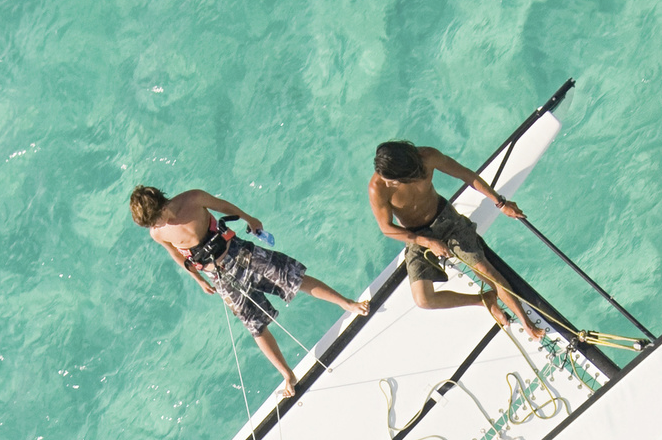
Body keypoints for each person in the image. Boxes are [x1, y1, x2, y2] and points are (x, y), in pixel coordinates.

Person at [130, 185, 367, 397]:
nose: (158, 224)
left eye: (157, 218)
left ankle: (346, 303)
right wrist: (198, 280)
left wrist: (248, 218)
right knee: (256, 326)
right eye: (152, 223)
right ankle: (287, 374)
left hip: (241, 254)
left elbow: (222, 206)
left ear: (162, 203)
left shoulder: (192, 199)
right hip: (220, 276)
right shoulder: (157, 232)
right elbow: (176, 255)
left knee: (293, 277)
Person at [366, 140, 541, 337]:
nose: (388, 183)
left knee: (484, 269)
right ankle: (484, 299)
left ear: (408, 171)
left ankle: (525, 322)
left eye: (393, 180)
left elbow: (465, 174)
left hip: (444, 217)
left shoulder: (428, 157)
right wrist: (427, 242)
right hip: (417, 235)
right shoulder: (378, 187)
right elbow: (386, 228)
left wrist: (500, 203)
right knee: (423, 299)